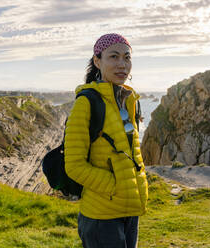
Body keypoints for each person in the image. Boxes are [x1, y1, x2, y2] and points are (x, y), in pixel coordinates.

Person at [64, 33, 148, 248]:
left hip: (130, 210)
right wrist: (115, 186)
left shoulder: (129, 100)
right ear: (97, 61)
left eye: (127, 58)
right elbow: (74, 166)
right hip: (101, 216)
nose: (122, 65)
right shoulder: (87, 103)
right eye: (113, 56)